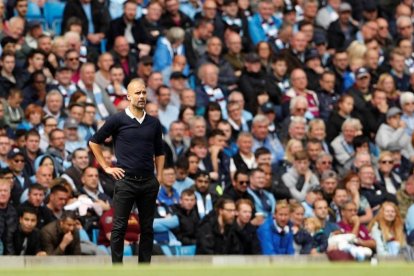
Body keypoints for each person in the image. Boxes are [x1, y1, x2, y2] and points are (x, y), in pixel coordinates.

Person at [89, 78, 165, 264]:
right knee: (119, 226)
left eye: (144, 92)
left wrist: (160, 177)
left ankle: (144, 268)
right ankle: (117, 268)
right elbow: (94, 142)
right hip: (126, 181)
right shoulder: (117, 119)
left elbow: (160, 151)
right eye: (137, 93)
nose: (141, 96)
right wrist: (107, 167)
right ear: (128, 96)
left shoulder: (154, 123)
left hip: (148, 181)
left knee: (147, 228)